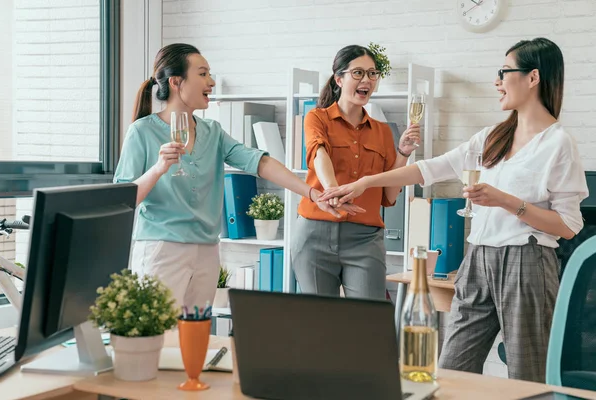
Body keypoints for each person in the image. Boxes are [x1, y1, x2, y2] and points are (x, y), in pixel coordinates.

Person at [320, 37, 589, 382]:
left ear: (533, 77)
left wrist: (506, 201)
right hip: (477, 259)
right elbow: (428, 169)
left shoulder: (558, 143)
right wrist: (366, 182)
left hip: (526, 262)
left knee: (527, 377)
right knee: (452, 370)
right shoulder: (493, 136)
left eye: (504, 71)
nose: (497, 80)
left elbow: (568, 226)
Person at [114, 43, 353, 309]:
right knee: (159, 339)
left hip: (206, 251)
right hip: (162, 249)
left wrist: (312, 193)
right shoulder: (142, 132)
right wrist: (158, 168)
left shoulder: (212, 131)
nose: (211, 81)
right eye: (202, 74)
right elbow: (125, 199)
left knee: (196, 334)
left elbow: (259, 163)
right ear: (176, 82)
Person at [291, 44, 420, 300]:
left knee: (366, 322)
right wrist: (333, 190)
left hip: (364, 239)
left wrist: (403, 153)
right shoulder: (317, 118)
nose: (367, 80)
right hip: (314, 233)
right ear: (339, 79)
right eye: (358, 73)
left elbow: (389, 196)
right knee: (319, 322)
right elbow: (319, 154)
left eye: (372, 74)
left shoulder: (382, 131)